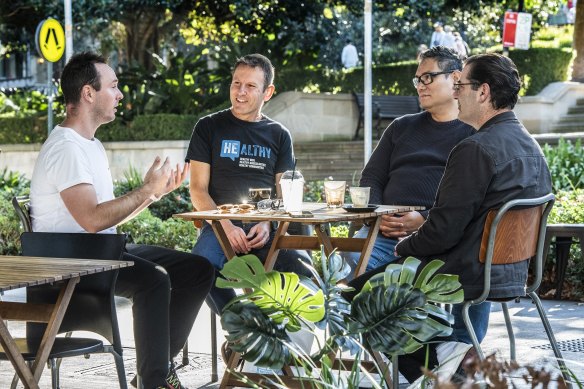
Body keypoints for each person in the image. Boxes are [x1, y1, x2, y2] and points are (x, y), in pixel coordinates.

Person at [347, 53, 552, 383]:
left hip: (460, 274)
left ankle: (434, 361)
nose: (457, 93)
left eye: (462, 86)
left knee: (349, 296)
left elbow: (441, 231)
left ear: (483, 92)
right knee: (379, 285)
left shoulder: (475, 148)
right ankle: (442, 359)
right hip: (509, 273)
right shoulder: (531, 146)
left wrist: (404, 247)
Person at [29, 52, 214, 389]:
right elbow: (92, 220)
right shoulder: (66, 148)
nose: (120, 94)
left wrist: (153, 193)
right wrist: (146, 190)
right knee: (153, 280)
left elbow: (104, 220)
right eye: (113, 86)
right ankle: (155, 382)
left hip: (99, 251)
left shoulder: (91, 145)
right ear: (88, 93)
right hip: (71, 263)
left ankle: (155, 368)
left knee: (197, 270)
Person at [186, 53, 312, 316]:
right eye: (236, 83)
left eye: (251, 86)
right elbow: (198, 190)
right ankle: (241, 327)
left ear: (268, 92)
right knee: (198, 266)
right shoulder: (208, 127)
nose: (240, 92)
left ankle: (281, 338)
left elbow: (284, 190)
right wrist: (227, 227)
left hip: (266, 228)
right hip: (220, 226)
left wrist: (268, 222)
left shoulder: (279, 135)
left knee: (304, 270)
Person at [344, 46, 475, 277]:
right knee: (344, 259)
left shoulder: (473, 134)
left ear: (455, 78)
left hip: (438, 237)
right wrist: (377, 216)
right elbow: (372, 177)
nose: (421, 85)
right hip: (383, 231)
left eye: (428, 77)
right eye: (418, 80)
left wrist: (424, 221)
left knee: (361, 267)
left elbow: (469, 198)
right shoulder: (400, 127)